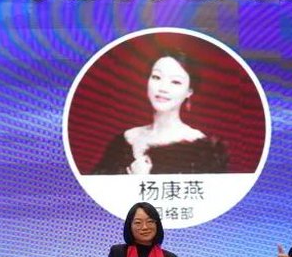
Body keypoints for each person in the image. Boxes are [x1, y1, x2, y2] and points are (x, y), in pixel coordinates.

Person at [92, 49, 228, 174]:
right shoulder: (123, 141)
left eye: (175, 82)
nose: (163, 88)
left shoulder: (204, 149)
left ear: (189, 91)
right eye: (156, 77)